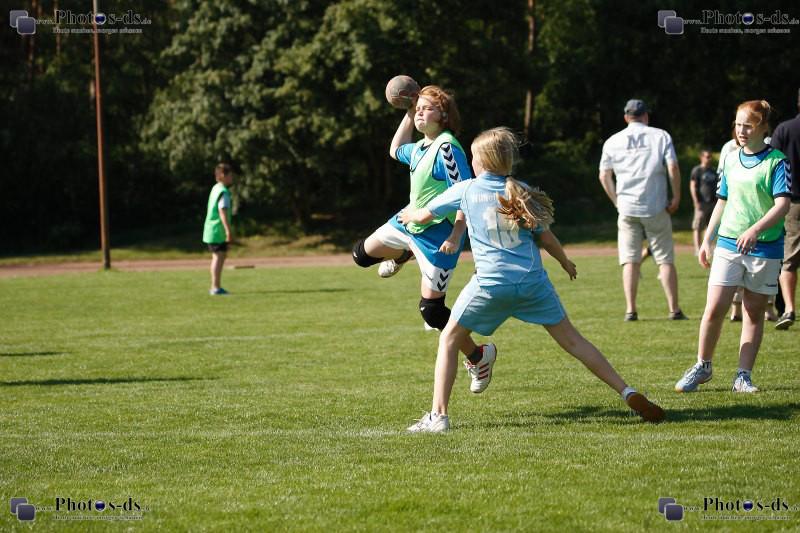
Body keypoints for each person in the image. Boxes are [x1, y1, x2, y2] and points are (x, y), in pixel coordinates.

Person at [400, 127, 665, 432]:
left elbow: (424, 216)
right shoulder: (520, 189)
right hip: (532, 282)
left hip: (491, 284)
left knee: (449, 338)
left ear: (482, 161)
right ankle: (626, 391)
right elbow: (547, 238)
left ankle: (438, 416)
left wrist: (409, 216)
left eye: (473, 156)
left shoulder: (467, 189)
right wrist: (565, 262)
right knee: (574, 341)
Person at [351, 85, 494, 370]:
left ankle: (479, 357)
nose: (420, 113)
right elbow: (394, 150)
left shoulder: (447, 148)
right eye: (418, 109)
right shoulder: (419, 147)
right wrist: (408, 111)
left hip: (438, 236)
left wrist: (456, 234)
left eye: (427, 108)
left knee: (431, 311)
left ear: (444, 115)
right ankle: (403, 254)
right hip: (408, 221)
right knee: (361, 255)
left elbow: (466, 194)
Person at [675, 100, 791, 394]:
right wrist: (707, 239)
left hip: (765, 248)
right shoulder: (729, 158)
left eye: (748, 125)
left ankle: (743, 376)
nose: (741, 130)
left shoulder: (777, 161)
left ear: (763, 127)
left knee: (753, 312)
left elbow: (782, 205)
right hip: (728, 244)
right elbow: (722, 201)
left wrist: (755, 230)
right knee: (714, 309)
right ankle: (703, 366)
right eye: (738, 124)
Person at [599, 99, 687, 321]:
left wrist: (616, 201)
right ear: (646, 116)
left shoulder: (612, 141)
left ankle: (631, 310)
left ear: (626, 117)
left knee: (630, 260)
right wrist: (676, 196)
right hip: (656, 206)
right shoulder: (661, 136)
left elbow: (604, 175)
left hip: (627, 207)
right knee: (665, 259)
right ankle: (674, 309)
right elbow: (673, 167)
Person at [770, 89, 800, 330]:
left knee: (789, 259)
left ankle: (789, 308)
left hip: (792, 203)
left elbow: (772, 163)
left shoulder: (784, 129)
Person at [203, 163, 234, 295]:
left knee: (220, 256)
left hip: (212, 230)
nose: (231, 178)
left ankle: (216, 286)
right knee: (218, 257)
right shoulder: (223, 192)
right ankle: (215, 287)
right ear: (222, 175)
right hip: (217, 231)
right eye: (230, 175)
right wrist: (228, 231)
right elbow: (222, 212)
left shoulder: (215, 188)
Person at [689, 149, 719, 255]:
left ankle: (707, 249)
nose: (709, 159)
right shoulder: (697, 170)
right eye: (707, 157)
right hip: (701, 203)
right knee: (697, 226)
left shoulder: (713, 171)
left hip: (712, 203)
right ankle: (697, 249)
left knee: (710, 227)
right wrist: (695, 201)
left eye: (710, 157)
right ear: (701, 157)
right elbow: (692, 186)